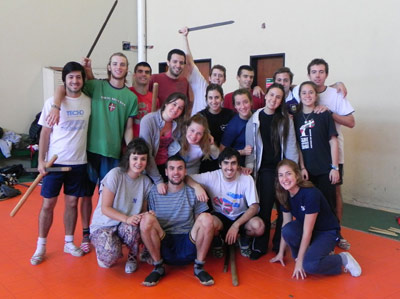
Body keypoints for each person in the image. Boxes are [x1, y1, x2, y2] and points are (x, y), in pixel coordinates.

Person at [47, 52, 138, 253]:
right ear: (108, 67)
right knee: (86, 195)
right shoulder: (96, 86)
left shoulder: (130, 96)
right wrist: (54, 106)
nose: (118, 67)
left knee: (109, 197)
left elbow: (129, 128)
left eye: (122, 64)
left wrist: (131, 153)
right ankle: (86, 233)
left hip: (112, 154)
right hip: (88, 152)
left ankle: (107, 230)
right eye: (115, 63)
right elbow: (64, 86)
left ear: (126, 68)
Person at [30, 62, 91, 265]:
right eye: (71, 77)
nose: (75, 81)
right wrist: (41, 161)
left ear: (83, 79)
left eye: (78, 77)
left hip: (78, 163)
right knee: (48, 204)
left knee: (72, 203)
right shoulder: (52, 103)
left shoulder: (88, 102)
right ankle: (41, 246)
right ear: (64, 80)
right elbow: (45, 133)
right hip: (55, 163)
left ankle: (68, 242)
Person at [294, 59, 355, 250]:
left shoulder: (335, 93)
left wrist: (330, 113)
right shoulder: (300, 101)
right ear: (309, 75)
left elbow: (351, 122)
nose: (318, 75)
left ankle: (335, 232)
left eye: (321, 72)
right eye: (314, 72)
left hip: (331, 158)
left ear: (326, 75)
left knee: (334, 193)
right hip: (309, 161)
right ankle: (311, 232)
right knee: (310, 195)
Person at [270, 159, 361, 279]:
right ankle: (305, 255)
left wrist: (300, 262)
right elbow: (285, 224)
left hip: (326, 232)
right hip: (308, 230)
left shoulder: (310, 194)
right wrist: (281, 253)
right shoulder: (284, 194)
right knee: (288, 230)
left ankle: (342, 258)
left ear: (297, 175)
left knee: (310, 266)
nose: (284, 179)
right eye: (281, 175)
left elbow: (308, 232)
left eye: (288, 173)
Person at [140, 155, 215, 286]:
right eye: (172, 168)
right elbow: (146, 219)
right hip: (164, 242)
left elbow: (201, 223)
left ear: (185, 171)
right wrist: (149, 215)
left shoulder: (193, 191)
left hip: (189, 242)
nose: (176, 172)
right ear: (166, 172)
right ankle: (158, 267)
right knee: (146, 219)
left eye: (180, 168)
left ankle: (199, 267)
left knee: (207, 218)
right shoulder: (154, 191)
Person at [245, 83, 299, 259]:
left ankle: (279, 245)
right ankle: (260, 246)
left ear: (281, 100)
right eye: (271, 95)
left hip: (281, 170)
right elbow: (250, 149)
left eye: (278, 97)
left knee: (284, 208)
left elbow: (291, 147)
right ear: (265, 96)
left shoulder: (285, 119)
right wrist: (251, 171)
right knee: (264, 209)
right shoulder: (255, 118)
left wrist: (292, 173)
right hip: (264, 171)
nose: (273, 99)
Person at [90, 138, 153, 273]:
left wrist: (146, 215)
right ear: (128, 158)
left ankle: (132, 256)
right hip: (105, 224)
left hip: (126, 225)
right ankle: (109, 246)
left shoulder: (146, 182)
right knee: (108, 259)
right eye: (135, 158)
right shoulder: (115, 175)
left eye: (143, 159)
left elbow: (142, 210)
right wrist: (126, 219)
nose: (139, 163)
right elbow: (105, 208)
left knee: (136, 227)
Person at [188, 147, 264, 258]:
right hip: (220, 217)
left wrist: (236, 225)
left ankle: (244, 239)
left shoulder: (246, 178)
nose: (229, 167)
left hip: (240, 217)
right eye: (226, 163)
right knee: (207, 222)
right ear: (220, 165)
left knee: (259, 226)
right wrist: (196, 186)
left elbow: (254, 207)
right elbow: (185, 177)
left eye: (233, 163)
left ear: (238, 165)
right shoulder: (212, 176)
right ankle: (217, 240)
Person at [294, 81, 339, 220]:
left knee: (328, 204)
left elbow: (333, 141)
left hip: (326, 170)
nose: (307, 95)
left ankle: (332, 234)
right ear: (299, 96)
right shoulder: (295, 118)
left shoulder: (324, 114)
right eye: (304, 92)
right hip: (307, 171)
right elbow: (297, 145)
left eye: (311, 92)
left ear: (316, 95)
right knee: (309, 205)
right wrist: (302, 167)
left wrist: (335, 168)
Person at [139, 92, 188, 194]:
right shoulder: (148, 121)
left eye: (180, 108)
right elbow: (146, 154)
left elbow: (194, 126)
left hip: (166, 166)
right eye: (174, 104)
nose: (175, 109)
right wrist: (158, 181)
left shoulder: (178, 125)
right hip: (148, 167)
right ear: (166, 103)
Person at [199, 84, 234, 172]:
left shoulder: (230, 115)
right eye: (210, 98)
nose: (214, 101)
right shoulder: (200, 117)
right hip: (206, 160)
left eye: (217, 97)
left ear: (222, 98)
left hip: (228, 160)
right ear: (206, 99)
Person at [220, 89, 253, 166]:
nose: (243, 106)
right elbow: (222, 151)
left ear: (251, 102)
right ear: (234, 106)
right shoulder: (233, 126)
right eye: (238, 103)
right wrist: (242, 152)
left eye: (245, 102)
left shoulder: (258, 116)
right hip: (240, 164)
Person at [130, 62, 157, 137]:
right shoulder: (127, 93)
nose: (144, 74)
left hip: (146, 142)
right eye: (140, 71)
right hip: (128, 143)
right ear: (134, 75)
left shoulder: (155, 99)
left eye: (147, 72)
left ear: (150, 76)